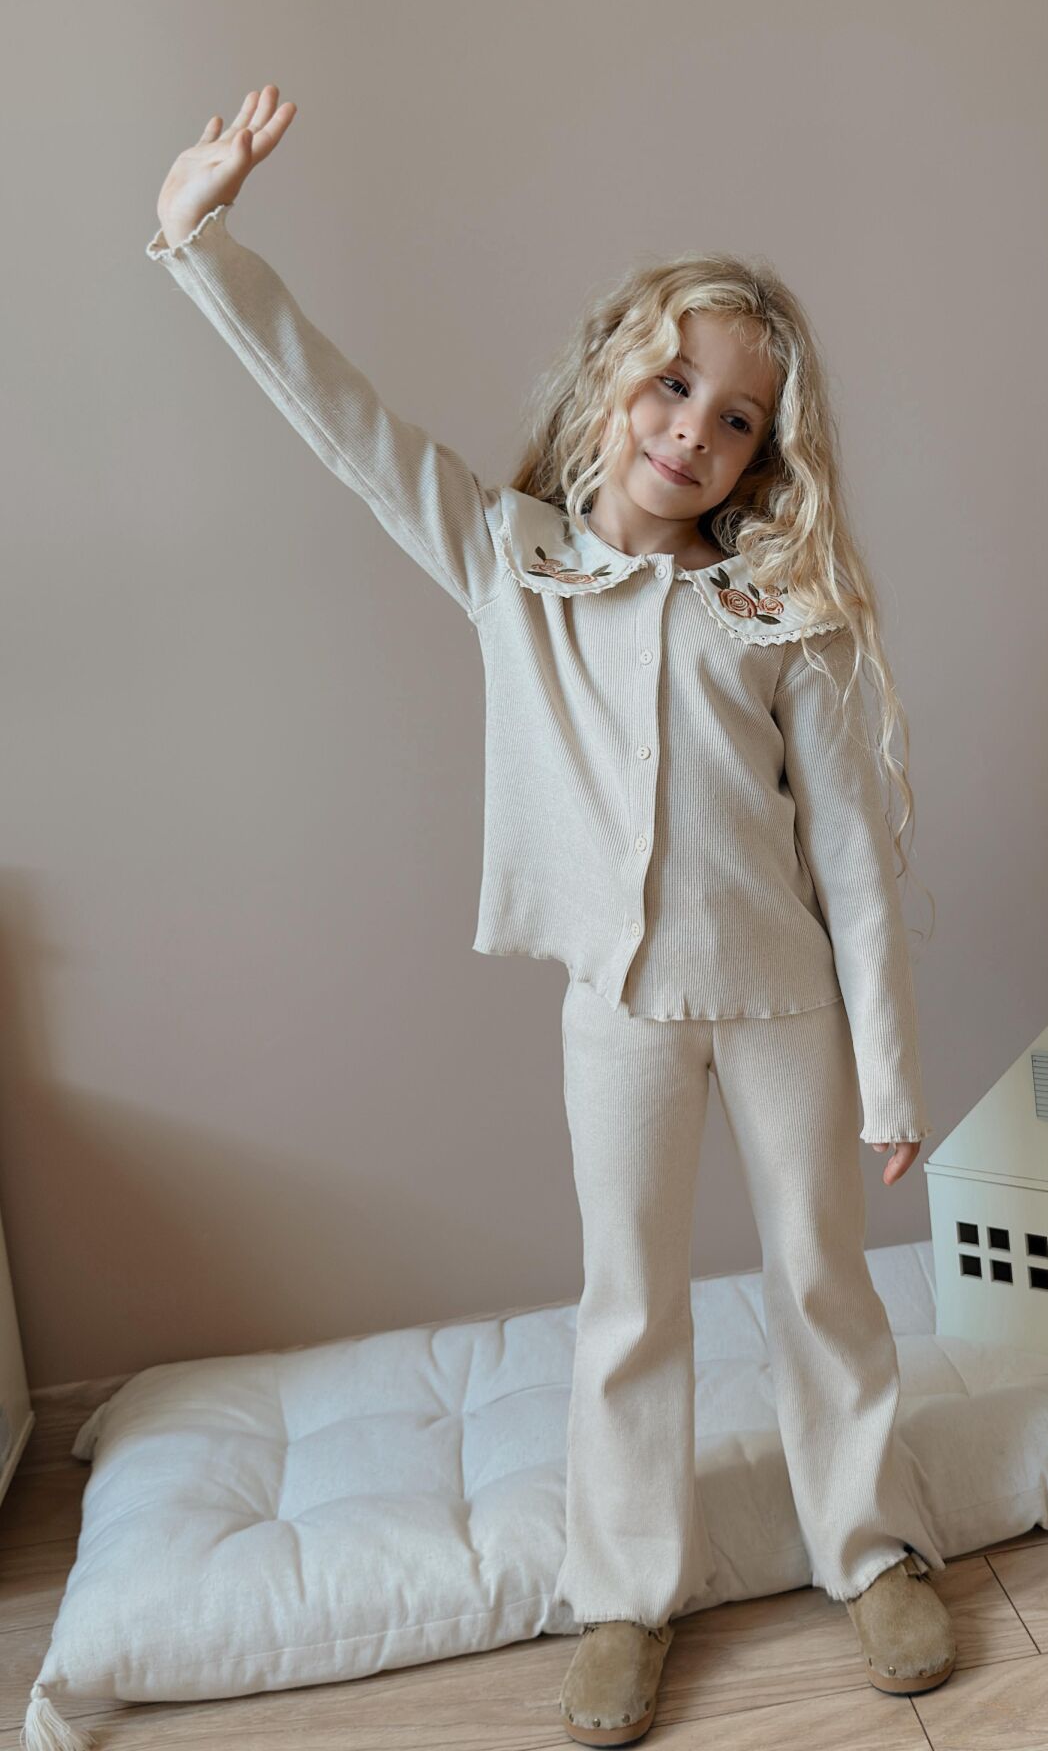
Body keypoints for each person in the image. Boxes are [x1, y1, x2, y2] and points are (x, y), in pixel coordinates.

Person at [146, 85, 955, 1747]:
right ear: (613, 377)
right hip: (618, 1010)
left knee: (824, 1281)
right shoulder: (508, 562)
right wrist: (200, 240)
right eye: (674, 385)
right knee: (629, 1306)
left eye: (738, 419)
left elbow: (857, 853)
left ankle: (872, 1549)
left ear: (764, 455)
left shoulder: (775, 610)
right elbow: (347, 423)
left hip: (785, 1003)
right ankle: (624, 1596)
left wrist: (888, 1071)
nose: (694, 431)